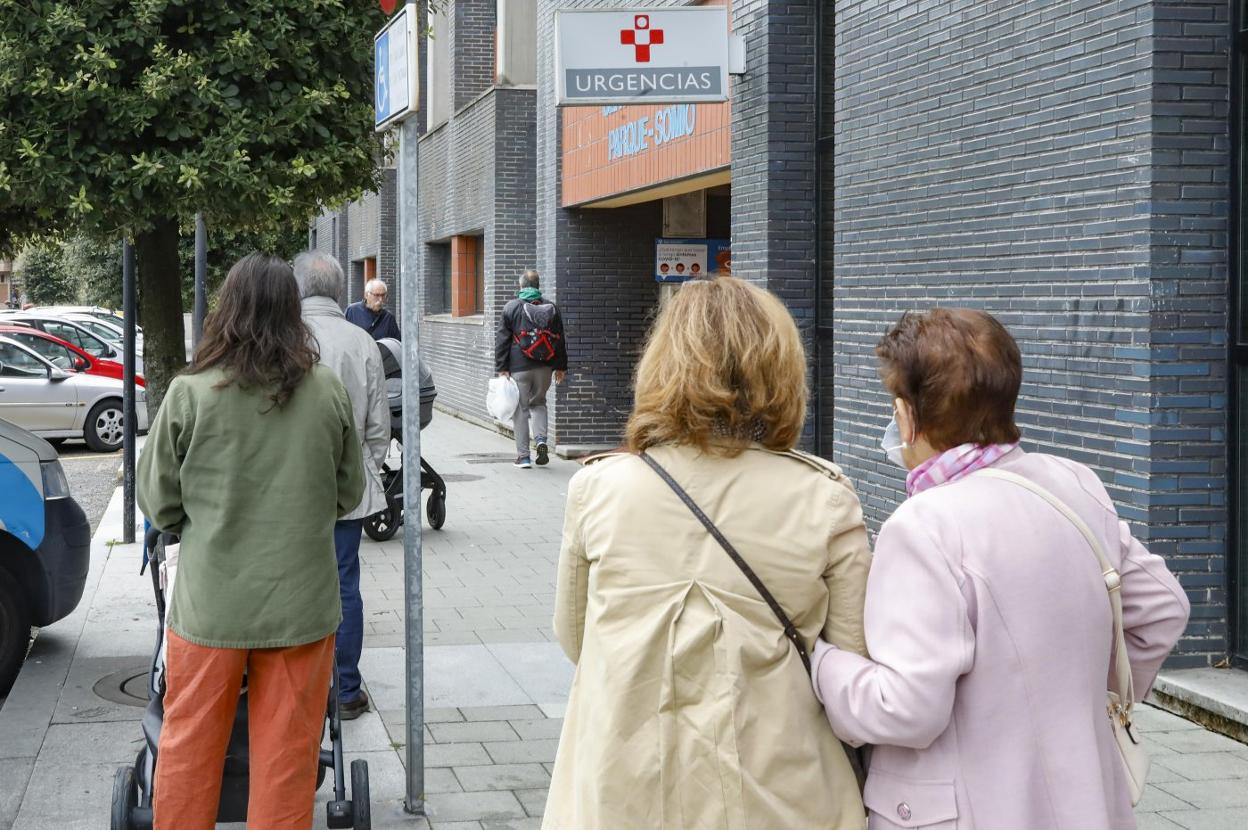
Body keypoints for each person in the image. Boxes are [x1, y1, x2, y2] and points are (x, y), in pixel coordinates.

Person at [810, 308, 1191, 830]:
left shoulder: (924, 525)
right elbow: (1163, 609)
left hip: (965, 809)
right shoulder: (1073, 482)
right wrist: (1078, 698)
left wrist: (822, 660)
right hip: (1086, 801)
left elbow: (905, 709)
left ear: (906, 415)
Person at [542, 277, 871, 830]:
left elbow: (576, 637)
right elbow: (852, 665)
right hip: (781, 790)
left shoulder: (601, 488)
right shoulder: (825, 497)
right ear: (782, 369)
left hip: (626, 785)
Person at [137, 254, 364, 830]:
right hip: (301, 606)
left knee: (187, 748)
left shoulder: (190, 393)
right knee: (287, 759)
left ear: (226, 310)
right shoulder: (326, 390)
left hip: (210, 605)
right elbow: (348, 492)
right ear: (293, 313)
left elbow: (158, 500)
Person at [294, 251, 390, 720]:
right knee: (344, 583)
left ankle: (298, 684)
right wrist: (360, 472)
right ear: (338, 291)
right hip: (345, 491)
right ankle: (346, 688)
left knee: (293, 582)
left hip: (288, 492)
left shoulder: (279, 339)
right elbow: (378, 428)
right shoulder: (361, 342)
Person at [495, 269, 567, 468]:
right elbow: (560, 339)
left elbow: (502, 340)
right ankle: (542, 440)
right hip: (545, 367)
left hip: (519, 367)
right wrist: (560, 367)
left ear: (521, 286)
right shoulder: (551, 307)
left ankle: (524, 457)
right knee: (539, 403)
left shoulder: (511, 307)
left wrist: (502, 368)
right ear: (537, 285)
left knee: (521, 410)